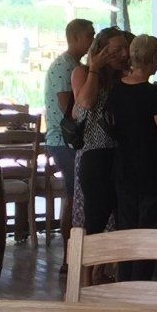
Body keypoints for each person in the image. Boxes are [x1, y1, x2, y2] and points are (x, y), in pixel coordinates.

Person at [108, 33, 157, 280]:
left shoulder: (116, 90)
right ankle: (141, 281)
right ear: (152, 60)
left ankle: (125, 279)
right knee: (149, 228)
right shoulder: (152, 93)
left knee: (127, 227)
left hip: (124, 166)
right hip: (152, 168)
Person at [71, 27, 130, 239]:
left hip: (120, 154)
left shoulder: (124, 77)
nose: (124, 54)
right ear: (101, 50)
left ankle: (100, 272)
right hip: (94, 153)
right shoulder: (83, 72)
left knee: (118, 220)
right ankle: (85, 271)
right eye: (117, 50)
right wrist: (95, 68)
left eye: (126, 48)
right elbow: (85, 103)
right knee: (95, 217)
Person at [44, 19, 95, 236]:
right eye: (89, 36)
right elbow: (69, 107)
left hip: (69, 140)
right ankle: (68, 255)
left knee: (76, 194)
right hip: (63, 139)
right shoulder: (64, 66)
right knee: (75, 195)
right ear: (74, 38)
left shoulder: (73, 65)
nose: (92, 41)